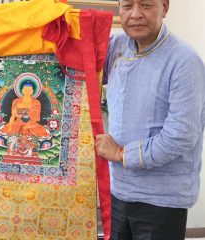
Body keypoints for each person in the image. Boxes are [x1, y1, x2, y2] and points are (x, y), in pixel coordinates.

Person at [95, 0, 205, 239]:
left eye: (145, 4)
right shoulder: (118, 47)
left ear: (164, 7)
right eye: (127, 6)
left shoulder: (184, 61)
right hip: (118, 191)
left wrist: (121, 153)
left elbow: (180, 136)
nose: (135, 14)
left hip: (161, 200)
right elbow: (82, 66)